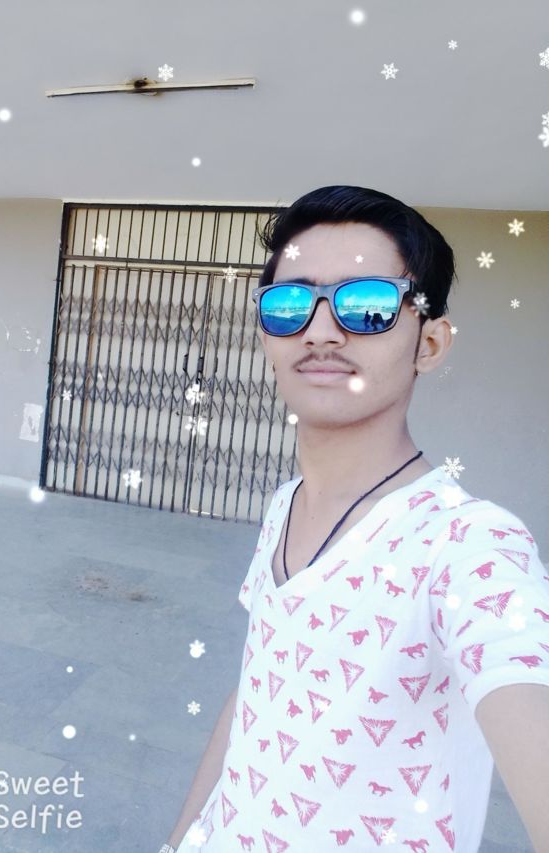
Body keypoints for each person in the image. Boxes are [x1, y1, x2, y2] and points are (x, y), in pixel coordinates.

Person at [160, 185, 549, 852]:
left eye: (366, 304)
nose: (319, 331)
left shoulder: (468, 545)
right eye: (289, 304)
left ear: (430, 342)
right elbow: (257, 690)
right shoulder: (285, 504)